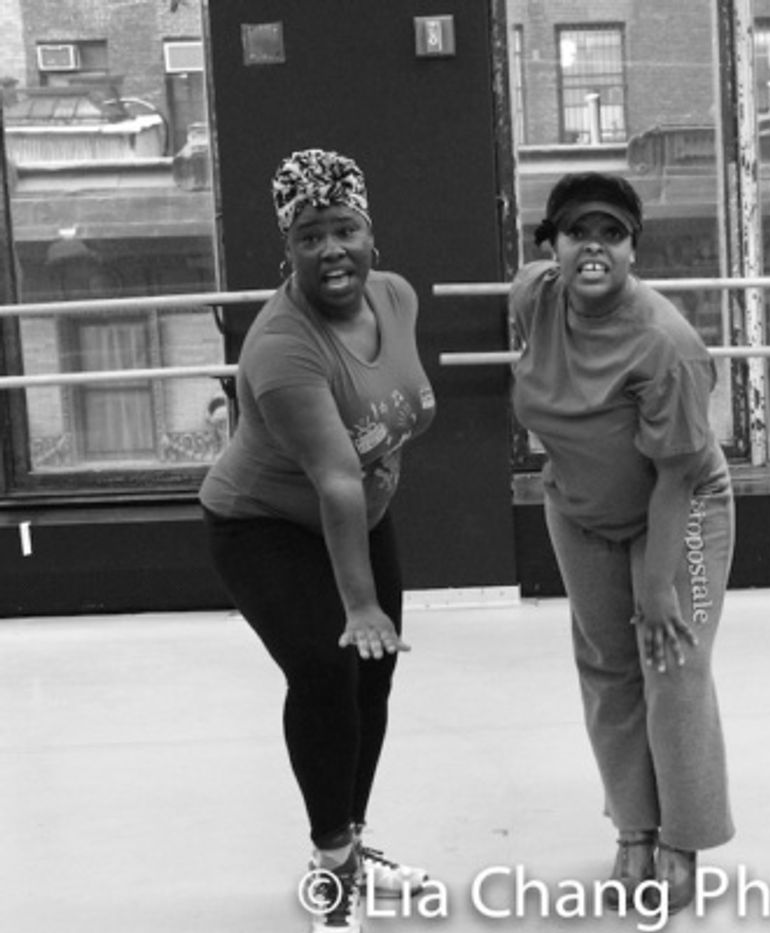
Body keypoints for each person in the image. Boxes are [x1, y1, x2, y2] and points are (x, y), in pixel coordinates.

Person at [199, 149, 435, 932]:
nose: (330, 249)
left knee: (372, 687)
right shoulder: (279, 346)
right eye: (309, 236)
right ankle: (331, 861)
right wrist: (358, 603)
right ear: (286, 253)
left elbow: (380, 426)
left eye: (344, 229)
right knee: (326, 668)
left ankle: (354, 842)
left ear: (372, 237)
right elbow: (334, 474)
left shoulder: (396, 299)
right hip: (262, 523)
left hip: (359, 514)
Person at [508, 172, 735, 914]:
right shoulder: (535, 296)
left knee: (670, 661)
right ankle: (634, 828)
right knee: (606, 665)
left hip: (681, 508)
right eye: (579, 233)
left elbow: (674, 477)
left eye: (613, 234)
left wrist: (657, 585)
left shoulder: (666, 344)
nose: (594, 248)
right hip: (578, 507)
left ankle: (682, 838)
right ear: (554, 247)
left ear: (636, 249)